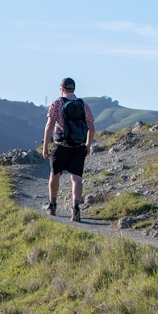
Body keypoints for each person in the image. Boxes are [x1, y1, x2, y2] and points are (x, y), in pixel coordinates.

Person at [42, 77, 96, 221]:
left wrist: (45, 146)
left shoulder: (57, 103)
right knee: (76, 178)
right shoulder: (83, 104)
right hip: (78, 146)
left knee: (55, 174)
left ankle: (52, 205)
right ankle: (76, 208)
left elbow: (49, 125)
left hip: (61, 145)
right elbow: (91, 127)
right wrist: (88, 146)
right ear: (74, 89)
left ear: (62, 89)